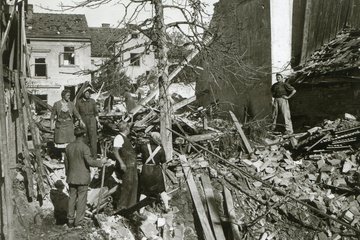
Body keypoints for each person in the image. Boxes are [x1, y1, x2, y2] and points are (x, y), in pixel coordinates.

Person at [65, 127, 109, 228]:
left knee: (71, 198)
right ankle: (78, 223)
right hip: (82, 178)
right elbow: (89, 162)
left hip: (72, 177)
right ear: (84, 135)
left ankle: (70, 221)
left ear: (75, 135)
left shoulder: (68, 147)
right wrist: (101, 163)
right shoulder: (84, 147)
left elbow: (66, 163)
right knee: (81, 200)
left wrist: (68, 174)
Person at [138, 132, 170, 212]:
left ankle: (140, 210)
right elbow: (163, 163)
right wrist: (164, 174)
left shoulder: (144, 147)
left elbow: (136, 152)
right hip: (156, 171)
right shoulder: (161, 150)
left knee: (144, 191)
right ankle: (166, 207)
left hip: (146, 170)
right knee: (161, 190)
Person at [51, 89, 85, 162]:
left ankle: (69, 157)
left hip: (69, 125)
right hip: (60, 125)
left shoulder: (71, 104)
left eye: (69, 95)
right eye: (67, 95)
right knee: (62, 143)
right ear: (63, 96)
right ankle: (63, 157)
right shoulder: (57, 104)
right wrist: (52, 123)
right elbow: (53, 114)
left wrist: (80, 119)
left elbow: (76, 113)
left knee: (69, 142)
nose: (69, 97)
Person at [113, 122, 138, 213]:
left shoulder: (125, 138)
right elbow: (115, 151)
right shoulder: (119, 137)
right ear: (126, 129)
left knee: (133, 185)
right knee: (127, 186)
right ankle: (121, 207)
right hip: (126, 165)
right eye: (129, 128)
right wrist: (121, 163)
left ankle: (131, 207)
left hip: (131, 165)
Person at [76, 88, 102, 157]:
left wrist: (98, 122)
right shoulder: (78, 102)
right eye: (87, 93)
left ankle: (94, 156)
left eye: (89, 93)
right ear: (83, 93)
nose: (88, 95)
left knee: (93, 138)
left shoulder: (92, 101)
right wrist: (80, 121)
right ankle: (85, 156)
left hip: (92, 120)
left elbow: (96, 113)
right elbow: (77, 113)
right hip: (83, 120)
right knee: (84, 138)